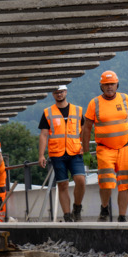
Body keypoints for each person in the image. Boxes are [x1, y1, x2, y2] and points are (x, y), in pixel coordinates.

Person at [82, 71, 128, 221]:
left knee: (126, 183)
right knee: (106, 182)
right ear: (101, 86)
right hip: (105, 149)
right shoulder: (95, 103)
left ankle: (122, 216)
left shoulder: (126, 99)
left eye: (112, 84)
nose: (109, 87)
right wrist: (86, 152)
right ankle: (105, 207)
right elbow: (87, 128)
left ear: (117, 84)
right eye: (106, 85)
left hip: (125, 147)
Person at [37, 85, 86, 222]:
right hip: (57, 153)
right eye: (56, 92)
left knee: (80, 180)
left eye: (61, 92)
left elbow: (84, 130)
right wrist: (41, 155)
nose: (59, 94)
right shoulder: (48, 112)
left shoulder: (77, 110)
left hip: (75, 151)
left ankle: (77, 207)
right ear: (53, 94)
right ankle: (67, 215)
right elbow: (44, 134)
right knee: (62, 184)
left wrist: (84, 146)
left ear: (66, 92)